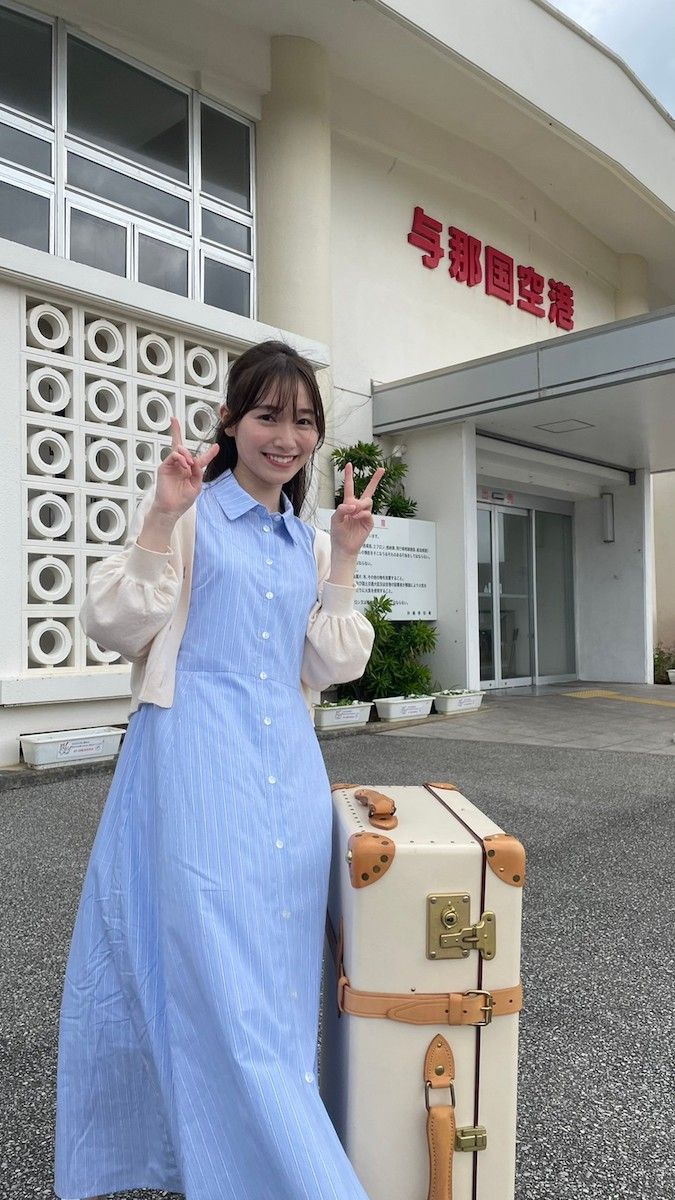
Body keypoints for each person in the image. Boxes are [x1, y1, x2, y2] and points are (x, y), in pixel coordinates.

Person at [54, 340, 384, 1200]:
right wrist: (161, 516)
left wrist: (345, 557)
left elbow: (329, 665)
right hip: (193, 766)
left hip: (287, 774)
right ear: (230, 422)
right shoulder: (193, 516)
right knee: (213, 982)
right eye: (268, 416)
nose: (286, 437)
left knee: (275, 987)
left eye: (303, 422)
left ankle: (241, 1165)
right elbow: (114, 623)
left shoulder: (307, 543)